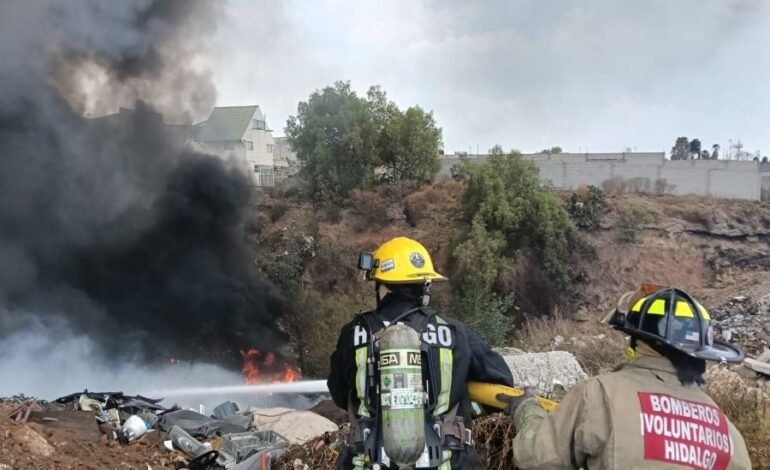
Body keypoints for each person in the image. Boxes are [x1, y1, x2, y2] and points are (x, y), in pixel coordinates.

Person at [503, 284, 752, 470]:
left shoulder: (599, 394)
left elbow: (538, 458)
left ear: (637, 341)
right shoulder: (727, 430)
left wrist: (526, 409)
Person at [328, 237, 514, 470]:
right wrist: (465, 408)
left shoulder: (353, 334)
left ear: (382, 285)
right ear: (425, 287)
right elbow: (502, 383)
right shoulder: (454, 332)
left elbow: (339, 394)